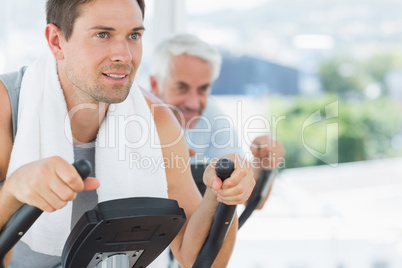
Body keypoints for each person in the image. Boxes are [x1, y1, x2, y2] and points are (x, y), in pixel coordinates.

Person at [0, 1, 256, 268]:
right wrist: (12, 192)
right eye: (103, 34)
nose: (124, 55)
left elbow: (199, 260)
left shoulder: (157, 121)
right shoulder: (6, 107)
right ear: (56, 41)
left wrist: (224, 194)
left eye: (134, 36)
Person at [150, 34, 285, 209]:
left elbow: (251, 200)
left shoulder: (212, 117)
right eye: (181, 88)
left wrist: (264, 164)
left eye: (203, 89)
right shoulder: (130, 118)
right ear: (155, 85)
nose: (193, 103)